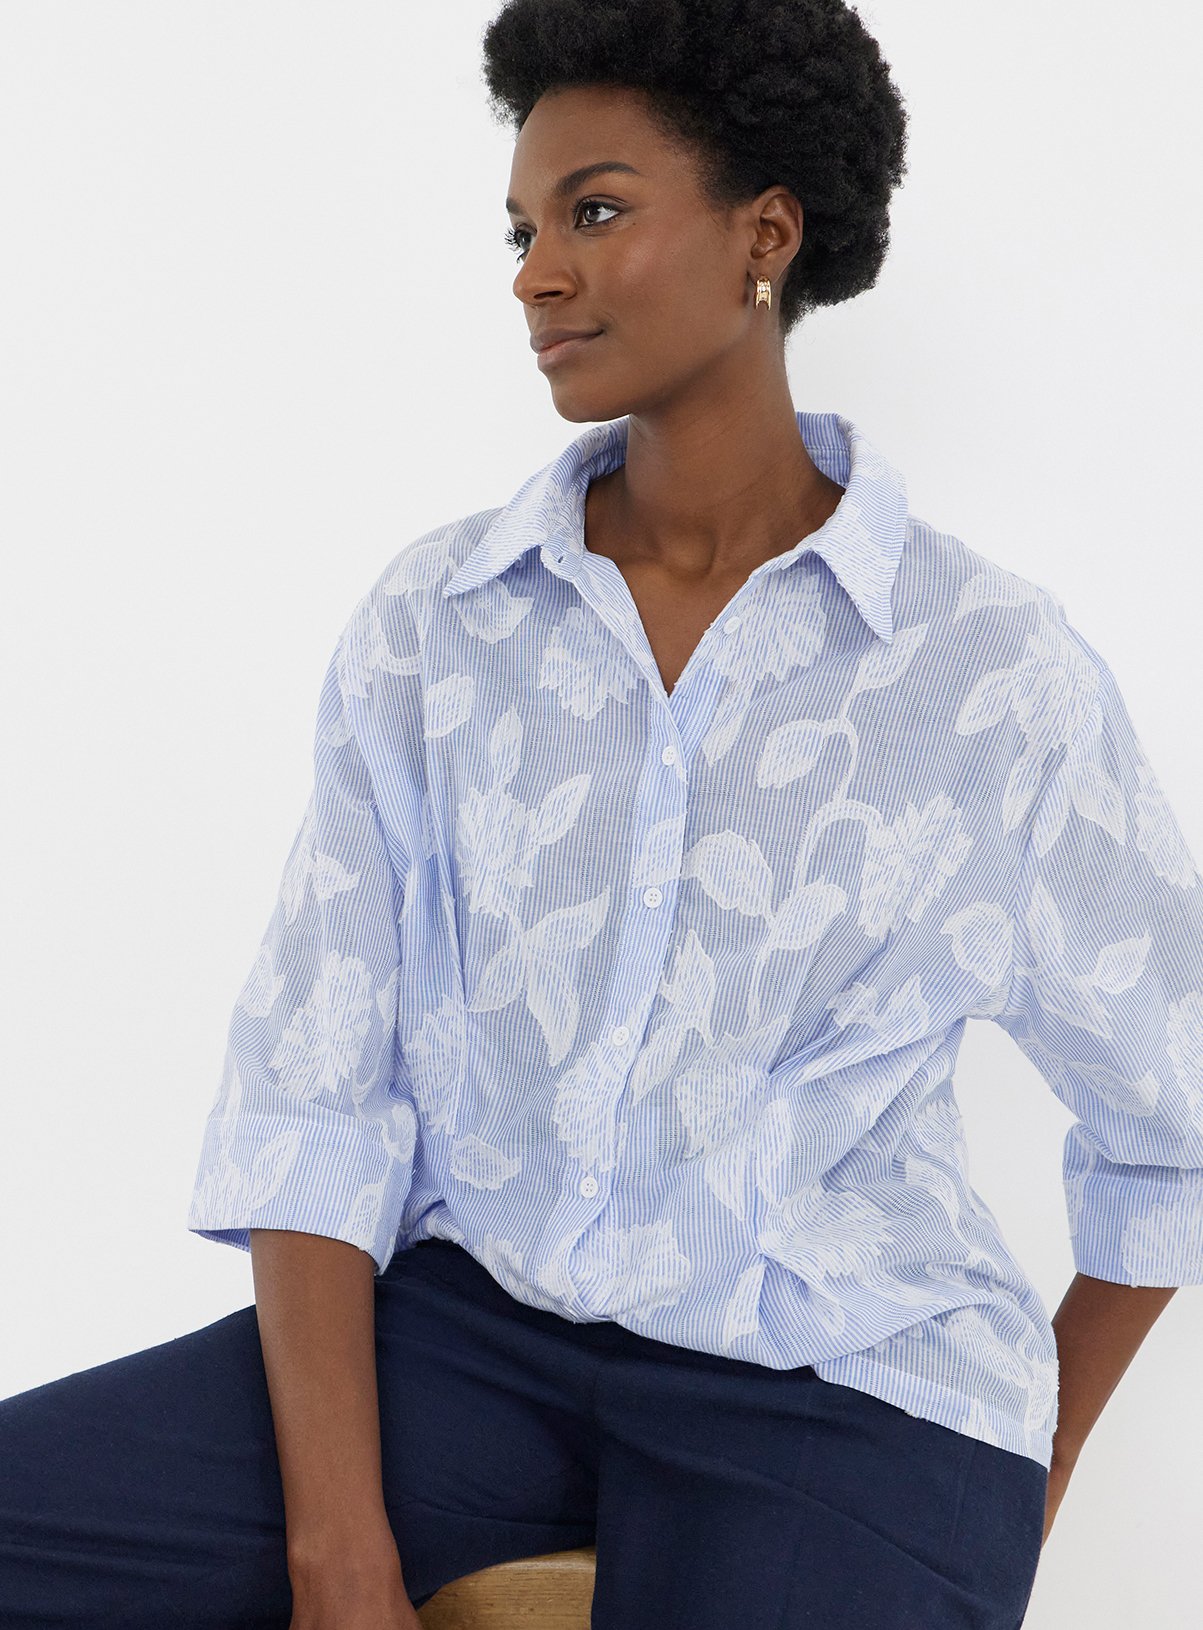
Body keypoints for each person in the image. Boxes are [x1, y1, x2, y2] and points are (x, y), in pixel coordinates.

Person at [1, 2, 1197, 1626]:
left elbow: (1174, 1117)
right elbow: (315, 1091)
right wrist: (339, 1550)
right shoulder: (440, 621)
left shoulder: (991, 671)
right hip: (473, 1332)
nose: (535, 275)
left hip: (842, 1386)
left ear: (766, 235)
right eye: (524, 229)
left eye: (596, 211)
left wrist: (1006, 1471)